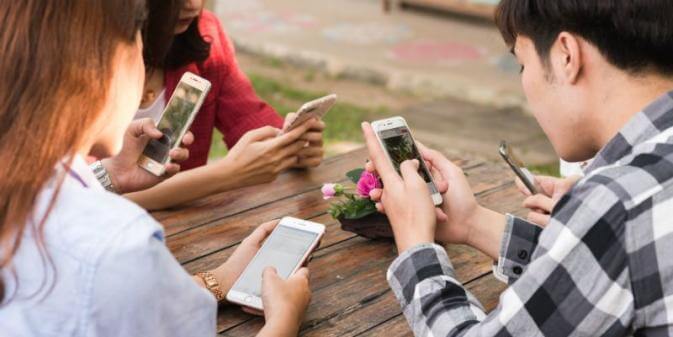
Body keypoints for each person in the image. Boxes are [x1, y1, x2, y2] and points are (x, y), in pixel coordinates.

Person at [363, 0, 673, 335]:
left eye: (523, 65)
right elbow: (603, 273)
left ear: (566, 55)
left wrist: (414, 243)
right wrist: (471, 222)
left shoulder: (616, 202)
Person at [0, 1, 311, 336]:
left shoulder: (24, 201)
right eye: (137, 35)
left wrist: (218, 280)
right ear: (109, 63)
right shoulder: (120, 246)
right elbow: (108, 280)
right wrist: (283, 320)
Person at [125, 0, 325, 210]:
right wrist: (229, 173)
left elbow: (248, 118)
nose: (193, 5)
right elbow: (97, 196)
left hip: (185, 226)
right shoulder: (92, 55)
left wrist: (290, 144)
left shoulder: (204, 32)